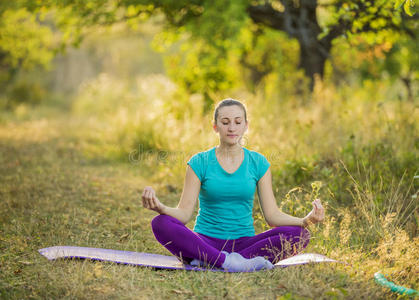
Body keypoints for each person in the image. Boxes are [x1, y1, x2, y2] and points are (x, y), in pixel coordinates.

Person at [142, 98, 325, 272]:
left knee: (301, 235)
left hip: (244, 243)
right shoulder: (199, 162)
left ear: (246, 126)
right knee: (160, 223)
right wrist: (160, 207)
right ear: (215, 126)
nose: (231, 128)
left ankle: (211, 260)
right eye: (225, 122)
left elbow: (272, 215)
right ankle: (229, 262)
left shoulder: (258, 163)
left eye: (238, 122)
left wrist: (305, 221)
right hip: (205, 241)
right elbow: (183, 214)